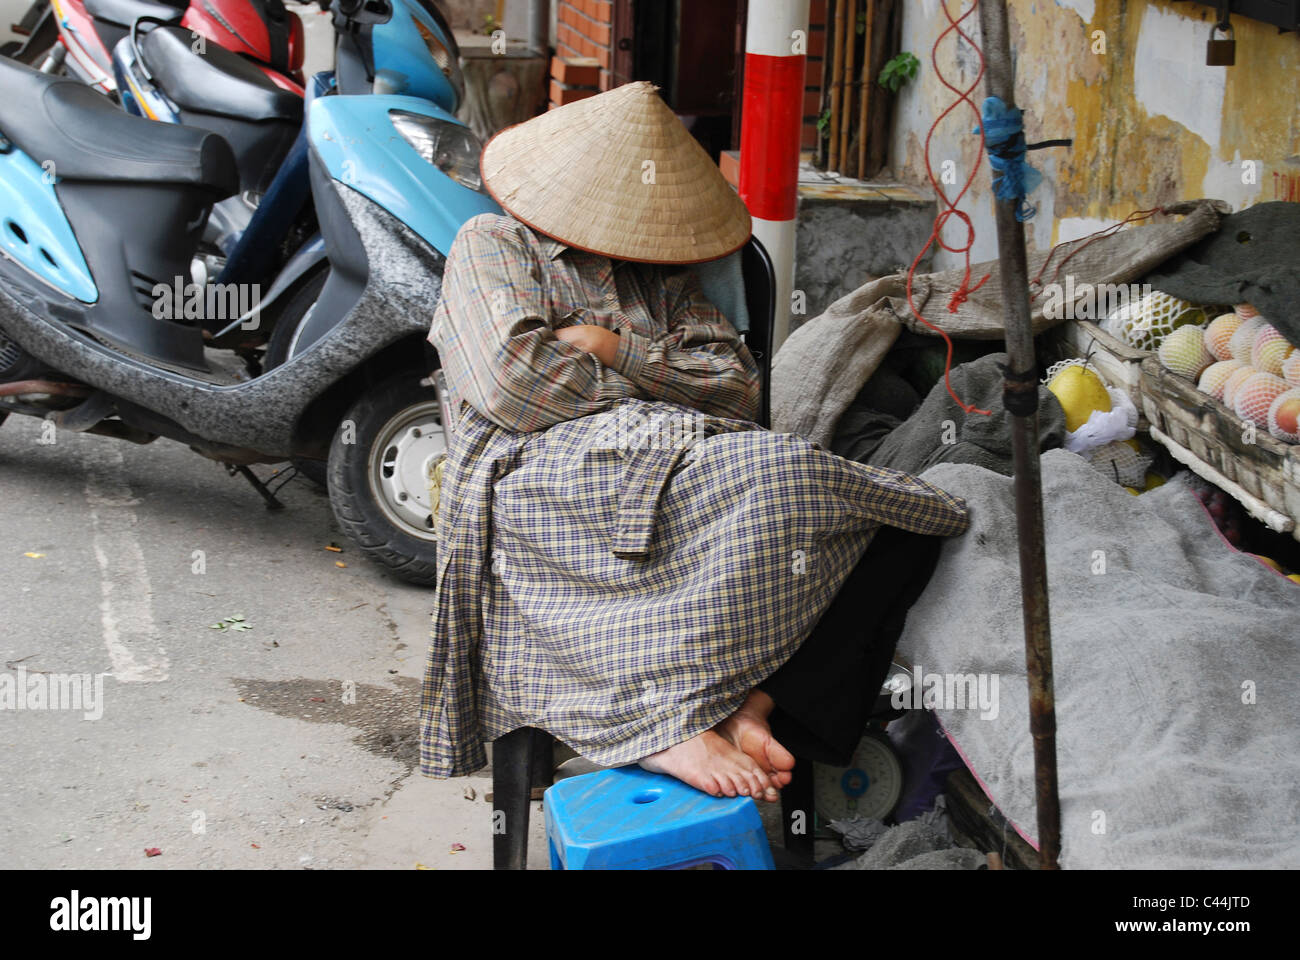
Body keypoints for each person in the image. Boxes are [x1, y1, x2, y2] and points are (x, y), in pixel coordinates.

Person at [421, 82, 969, 803]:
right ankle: (664, 723)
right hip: (536, 472)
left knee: (895, 521)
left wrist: (615, 349)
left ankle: (754, 705)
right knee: (788, 483)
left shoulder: (668, 285)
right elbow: (514, 385)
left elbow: (738, 391)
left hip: (683, 454)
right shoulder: (495, 245)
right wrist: (660, 386)